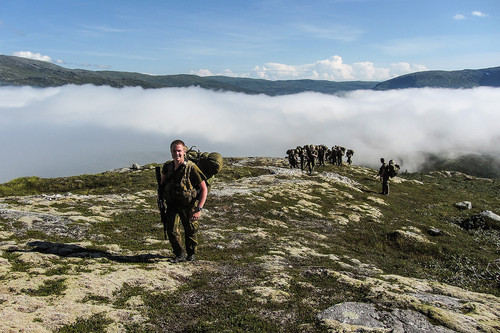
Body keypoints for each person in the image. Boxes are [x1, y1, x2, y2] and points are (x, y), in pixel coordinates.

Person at [161, 139, 208, 262]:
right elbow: (162, 183)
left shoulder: (191, 168)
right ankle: (179, 254)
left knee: (191, 230)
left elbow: (204, 189)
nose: (177, 154)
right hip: (172, 204)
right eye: (174, 151)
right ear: (171, 152)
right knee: (171, 230)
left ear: (184, 151)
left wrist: (199, 209)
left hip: (189, 205)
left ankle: (191, 254)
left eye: (179, 151)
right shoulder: (168, 166)